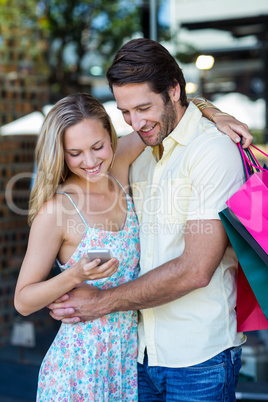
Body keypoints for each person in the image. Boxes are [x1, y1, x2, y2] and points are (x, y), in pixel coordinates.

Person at [48, 39, 253, 401]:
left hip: (199, 361)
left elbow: (196, 269)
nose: (135, 122)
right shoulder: (140, 150)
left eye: (143, 107)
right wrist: (208, 107)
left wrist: (101, 301)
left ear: (174, 90)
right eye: (125, 112)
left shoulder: (211, 152)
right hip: (138, 357)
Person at [14, 93, 145, 401]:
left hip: (129, 365)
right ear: (61, 154)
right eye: (75, 153)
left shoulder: (120, 167)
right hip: (78, 370)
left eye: (98, 147)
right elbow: (23, 300)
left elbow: (168, 117)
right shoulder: (58, 210)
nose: (90, 161)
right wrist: (73, 276)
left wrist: (216, 115)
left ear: (111, 137)